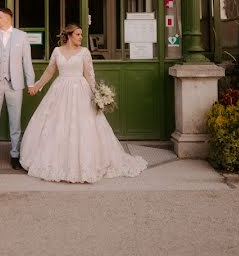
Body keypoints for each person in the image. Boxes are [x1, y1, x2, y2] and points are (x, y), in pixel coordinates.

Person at [19, 24, 147, 183]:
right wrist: (37, 86)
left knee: (84, 126)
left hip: (80, 91)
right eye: (78, 34)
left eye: (81, 34)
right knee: (56, 125)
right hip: (60, 90)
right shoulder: (57, 51)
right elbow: (49, 72)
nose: (81, 37)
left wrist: (98, 96)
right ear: (69, 36)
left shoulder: (85, 52)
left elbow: (89, 75)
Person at [0, 7, 34, 171]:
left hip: (14, 85)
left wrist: (30, 83)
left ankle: (15, 155)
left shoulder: (22, 36)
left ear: (8, 18)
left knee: (15, 123)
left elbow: (27, 62)